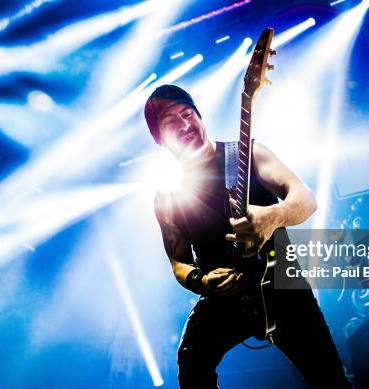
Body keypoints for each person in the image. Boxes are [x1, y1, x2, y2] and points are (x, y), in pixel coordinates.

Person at [144, 84, 350, 388]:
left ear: (201, 118)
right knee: (192, 365)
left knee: (330, 381)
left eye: (188, 114)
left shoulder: (248, 154)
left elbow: (306, 199)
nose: (185, 125)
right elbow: (178, 262)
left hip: (283, 288)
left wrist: (272, 217)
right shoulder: (168, 196)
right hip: (223, 298)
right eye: (172, 122)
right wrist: (203, 282)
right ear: (160, 139)